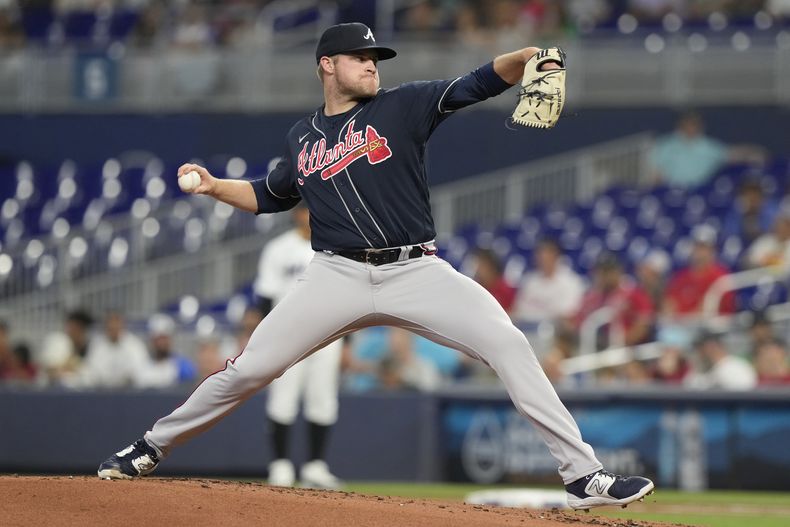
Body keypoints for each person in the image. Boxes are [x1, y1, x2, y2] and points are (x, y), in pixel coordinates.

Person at [98, 22, 653, 510]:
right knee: (247, 370)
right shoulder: (302, 137)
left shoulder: (404, 105)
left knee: (508, 343)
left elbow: (479, 81)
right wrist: (216, 186)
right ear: (327, 66)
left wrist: (532, 54)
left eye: (376, 57)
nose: (372, 64)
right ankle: (150, 446)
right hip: (334, 275)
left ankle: (583, 475)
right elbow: (270, 194)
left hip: (416, 271)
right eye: (361, 57)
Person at [253, 204, 345, 490]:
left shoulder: (336, 246)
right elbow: (265, 297)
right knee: (283, 399)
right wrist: (265, 337)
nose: (309, 216)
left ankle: (315, 465)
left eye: (312, 210)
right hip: (287, 334)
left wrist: (349, 340)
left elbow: (349, 297)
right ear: (296, 215)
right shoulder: (278, 249)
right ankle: (280, 464)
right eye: (305, 211)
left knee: (323, 400)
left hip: (328, 334)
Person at [649, 111, 765, 188]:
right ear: (680, 126)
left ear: (700, 126)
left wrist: (754, 152)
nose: (690, 128)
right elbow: (655, 173)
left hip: (701, 191)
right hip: (672, 190)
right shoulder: (665, 145)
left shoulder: (709, 146)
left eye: (694, 124)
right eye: (687, 124)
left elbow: (731, 154)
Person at [574, 252, 655, 350]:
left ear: (618, 271)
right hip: (594, 347)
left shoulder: (633, 294)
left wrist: (618, 344)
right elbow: (578, 323)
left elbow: (643, 325)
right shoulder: (591, 297)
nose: (604, 276)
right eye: (601, 272)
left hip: (627, 350)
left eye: (608, 271)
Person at [66, 311, 151, 390]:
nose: (113, 329)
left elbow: (139, 372)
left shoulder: (135, 345)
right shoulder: (97, 346)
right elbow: (91, 372)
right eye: (110, 327)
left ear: (122, 325)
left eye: (116, 326)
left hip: (130, 393)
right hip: (102, 393)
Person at [664, 229, 736, 319]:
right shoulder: (681, 277)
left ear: (712, 250)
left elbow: (707, 310)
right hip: (680, 325)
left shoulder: (720, 277)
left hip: (712, 327)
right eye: (697, 247)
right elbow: (669, 305)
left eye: (704, 248)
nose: (700, 253)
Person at [513, 238, 584, 324]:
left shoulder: (571, 282)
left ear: (556, 255)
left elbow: (569, 314)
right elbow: (518, 309)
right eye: (539, 253)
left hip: (555, 329)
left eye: (546, 253)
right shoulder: (530, 280)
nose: (542, 257)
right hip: (527, 327)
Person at [135, 314, 197, 389]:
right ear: (152, 340)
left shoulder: (182, 366)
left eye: (165, 338)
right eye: (159, 339)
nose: (162, 343)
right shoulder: (142, 365)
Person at [685, 332, 757, 391]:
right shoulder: (701, 370)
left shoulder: (736, 367)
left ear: (711, 347)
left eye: (700, 349)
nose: (698, 353)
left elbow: (743, 397)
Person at [38, 309, 94, 384]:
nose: (76, 331)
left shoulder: (89, 347)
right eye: (73, 326)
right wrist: (68, 367)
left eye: (82, 329)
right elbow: (49, 370)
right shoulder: (57, 340)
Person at [471, 248, 517, 313]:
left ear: (492, 267)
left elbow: (512, 313)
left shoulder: (504, 290)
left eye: (483, 266)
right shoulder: (475, 286)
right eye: (478, 265)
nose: (479, 270)